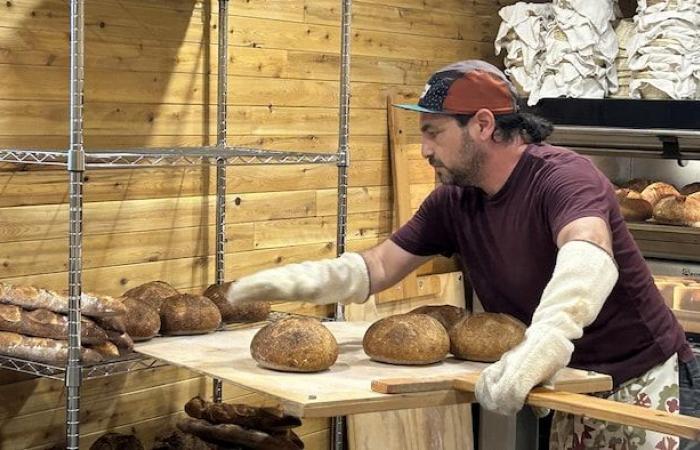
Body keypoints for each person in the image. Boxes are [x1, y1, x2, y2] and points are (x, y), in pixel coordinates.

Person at [225, 60, 699, 449]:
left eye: (433, 132)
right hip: (569, 379)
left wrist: (547, 339)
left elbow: (588, 252)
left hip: (640, 378)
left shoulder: (562, 176)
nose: (424, 148)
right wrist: (291, 282)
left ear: (483, 125)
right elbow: (379, 267)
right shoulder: (454, 200)